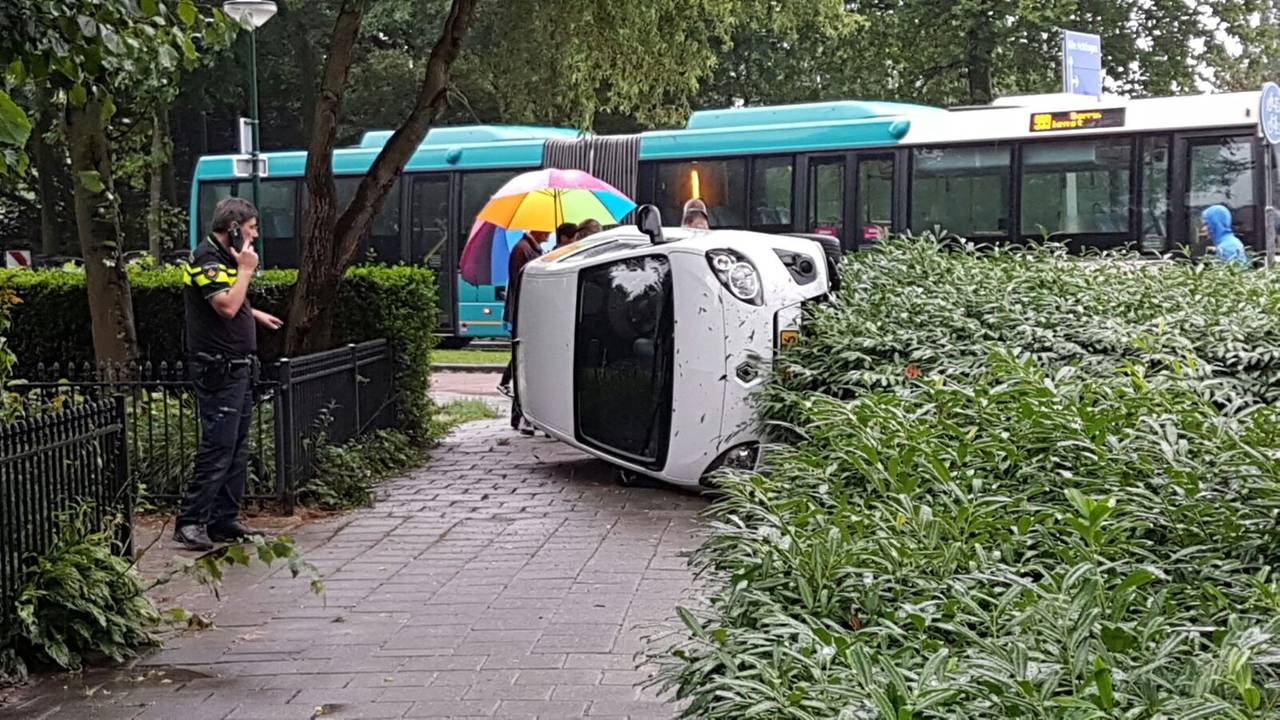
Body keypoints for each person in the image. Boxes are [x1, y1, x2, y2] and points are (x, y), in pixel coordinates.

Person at [175, 197, 284, 551]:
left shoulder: (224, 259)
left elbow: (230, 299)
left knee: (236, 447)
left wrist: (254, 314)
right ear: (234, 229)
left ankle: (224, 519)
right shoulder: (206, 259)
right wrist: (248, 271)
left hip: (237, 366)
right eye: (251, 229)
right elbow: (224, 305)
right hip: (217, 367)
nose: (254, 237)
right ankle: (191, 522)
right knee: (218, 445)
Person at [498, 230, 548, 434]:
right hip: (524, 313)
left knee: (522, 359)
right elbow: (523, 283)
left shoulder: (530, 249)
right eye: (546, 229)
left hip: (525, 312)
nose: (550, 232)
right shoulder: (523, 250)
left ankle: (508, 388)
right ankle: (519, 414)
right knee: (523, 360)